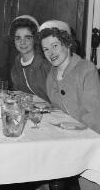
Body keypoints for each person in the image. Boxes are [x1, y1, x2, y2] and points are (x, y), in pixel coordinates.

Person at [39, 20, 100, 190]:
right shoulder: (51, 73)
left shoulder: (86, 69)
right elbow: (55, 110)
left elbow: (94, 118)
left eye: (55, 45)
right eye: (46, 49)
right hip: (64, 139)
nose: (51, 53)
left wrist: (72, 132)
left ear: (67, 44)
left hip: (91, 143)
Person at [9, 15, 51, 102]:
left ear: (35, 39)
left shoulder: (46, 63)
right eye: (18, 38)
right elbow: (17, 93)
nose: (22, 42)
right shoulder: (16, 65)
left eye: (27, 38)